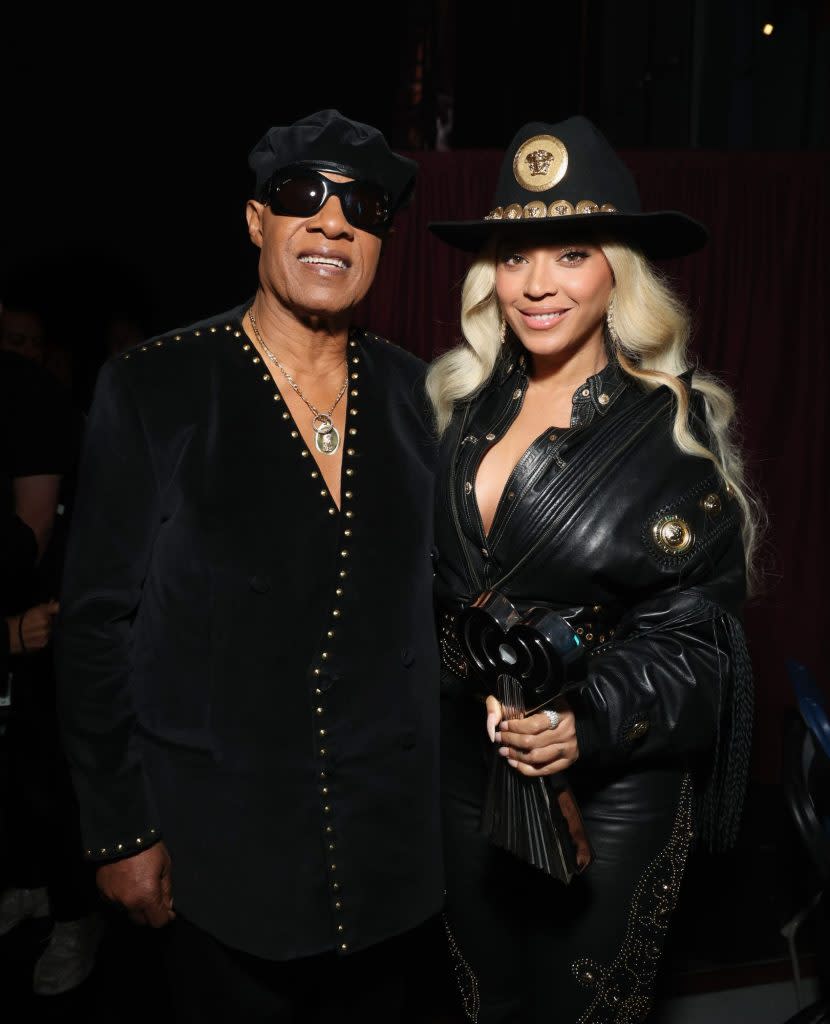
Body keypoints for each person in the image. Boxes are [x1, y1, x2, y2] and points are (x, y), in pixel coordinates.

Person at [55, 109, 443, 1021]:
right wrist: (122, 831)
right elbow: (95, 623)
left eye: (362, 206)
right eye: (301, 195)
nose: (332, 221)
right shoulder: (157, 383)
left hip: (394, 853)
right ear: (256, 221)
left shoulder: (422, 395)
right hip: (217, 851)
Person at [426, 115, 761, 1023]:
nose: (536, 285)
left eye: (571, 252)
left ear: (620, 271)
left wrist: (586, 715)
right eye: (515, 253)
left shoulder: (672, 434)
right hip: (462, 773)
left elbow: (702, 646)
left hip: (610, 793)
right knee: (482, 1007)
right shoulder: (456, 404)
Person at [0, 341, 99, 997]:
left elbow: (25, 539)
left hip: (33, 606)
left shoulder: (25, 391)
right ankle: (31, 885)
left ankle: (74, 913)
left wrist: (15, 628)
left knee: (46, 775)